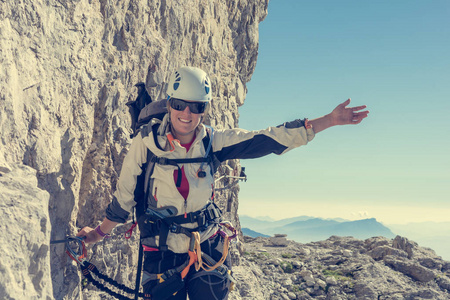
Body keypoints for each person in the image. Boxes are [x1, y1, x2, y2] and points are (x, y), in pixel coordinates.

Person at [77, 66, 369, 300]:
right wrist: (98, 234)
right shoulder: (147, 143)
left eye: (196, 106)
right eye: (179, 105)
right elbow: (125, 196)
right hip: (163, 251)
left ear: (204, 109)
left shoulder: (213, 143)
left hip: (207, 246)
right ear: (169, 105)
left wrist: (329, 120)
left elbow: (267, 139)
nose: (187, 114)